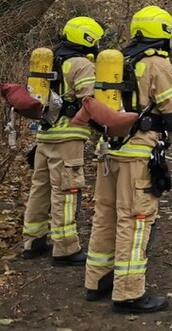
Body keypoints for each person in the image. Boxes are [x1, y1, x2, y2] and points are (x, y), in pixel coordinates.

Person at [84, 5, 172, 313]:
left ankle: (96, 281)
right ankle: (128, 293)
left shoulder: (118, 61)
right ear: (165, 34)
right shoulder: (156, 64)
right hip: (137, 155)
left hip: (109, 151)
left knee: (105, 216)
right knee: (136, 220)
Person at [21, 16, 104, 265]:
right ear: (88, 39)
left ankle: (33, 241)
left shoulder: (50, 60)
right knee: (66, 191)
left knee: (40, 188)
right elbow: (90, 102)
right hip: (68, 138)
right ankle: (66, 248)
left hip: (45, 135)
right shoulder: (81, 64)